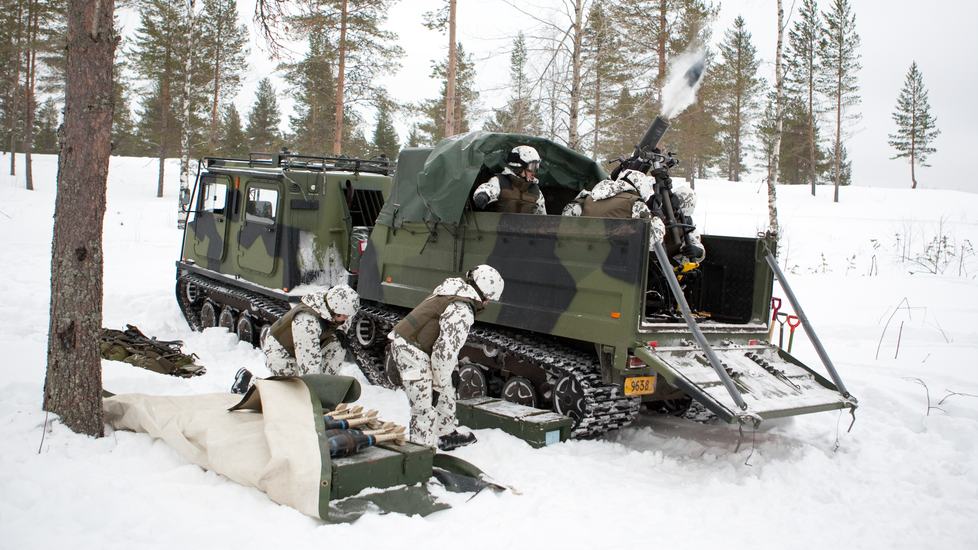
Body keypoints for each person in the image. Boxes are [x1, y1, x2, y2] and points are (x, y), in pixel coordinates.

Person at [387, 265, 505, 451]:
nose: (488, 303)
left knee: (447, 382)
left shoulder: (455, 289)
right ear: (483, 294)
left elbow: (447, 344)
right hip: (410, 349)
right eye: (488, 298)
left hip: (425, 347)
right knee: (424, 405)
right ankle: (420, 453)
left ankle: (446, 434)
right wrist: (436, 385)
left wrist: (454, 370)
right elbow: (443, 353)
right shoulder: (462, 310)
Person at [231, 284, 360, 394]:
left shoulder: (337, 307)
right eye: (344, 316)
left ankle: (325, 385)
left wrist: (340, 331)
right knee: (297, 387)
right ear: (334, 310)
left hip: (304, 349)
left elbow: (342, 323)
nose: (346, 319)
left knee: (338, 345)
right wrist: (313, 392)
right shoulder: (306, 323)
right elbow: (309, 367)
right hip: (280, 354)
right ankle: (249, 381)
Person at [472, 145, 547, 214]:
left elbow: (542, 216)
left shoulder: (535, 191)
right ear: (519, 167)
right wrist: (483, 195)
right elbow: (488, 188)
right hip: (497, 227)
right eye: (532, 166)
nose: (534, 171)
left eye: (537, 167)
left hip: (525, 228)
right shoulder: (500, 182)